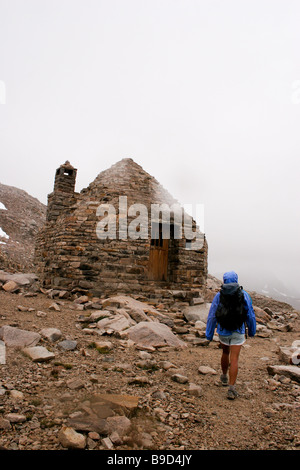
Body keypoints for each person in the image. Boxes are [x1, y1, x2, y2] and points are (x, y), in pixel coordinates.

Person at [205, 271, 256, 400]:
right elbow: (250, 314)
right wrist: (251, 331)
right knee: (234, 359)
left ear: (224, 280)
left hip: (223, 330)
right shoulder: (244, 295)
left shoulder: (219, 295)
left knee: (225, 353)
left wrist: (209, 334)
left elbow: (212, 315)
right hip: (238, 331)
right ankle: (231, 389)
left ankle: (223, 377)